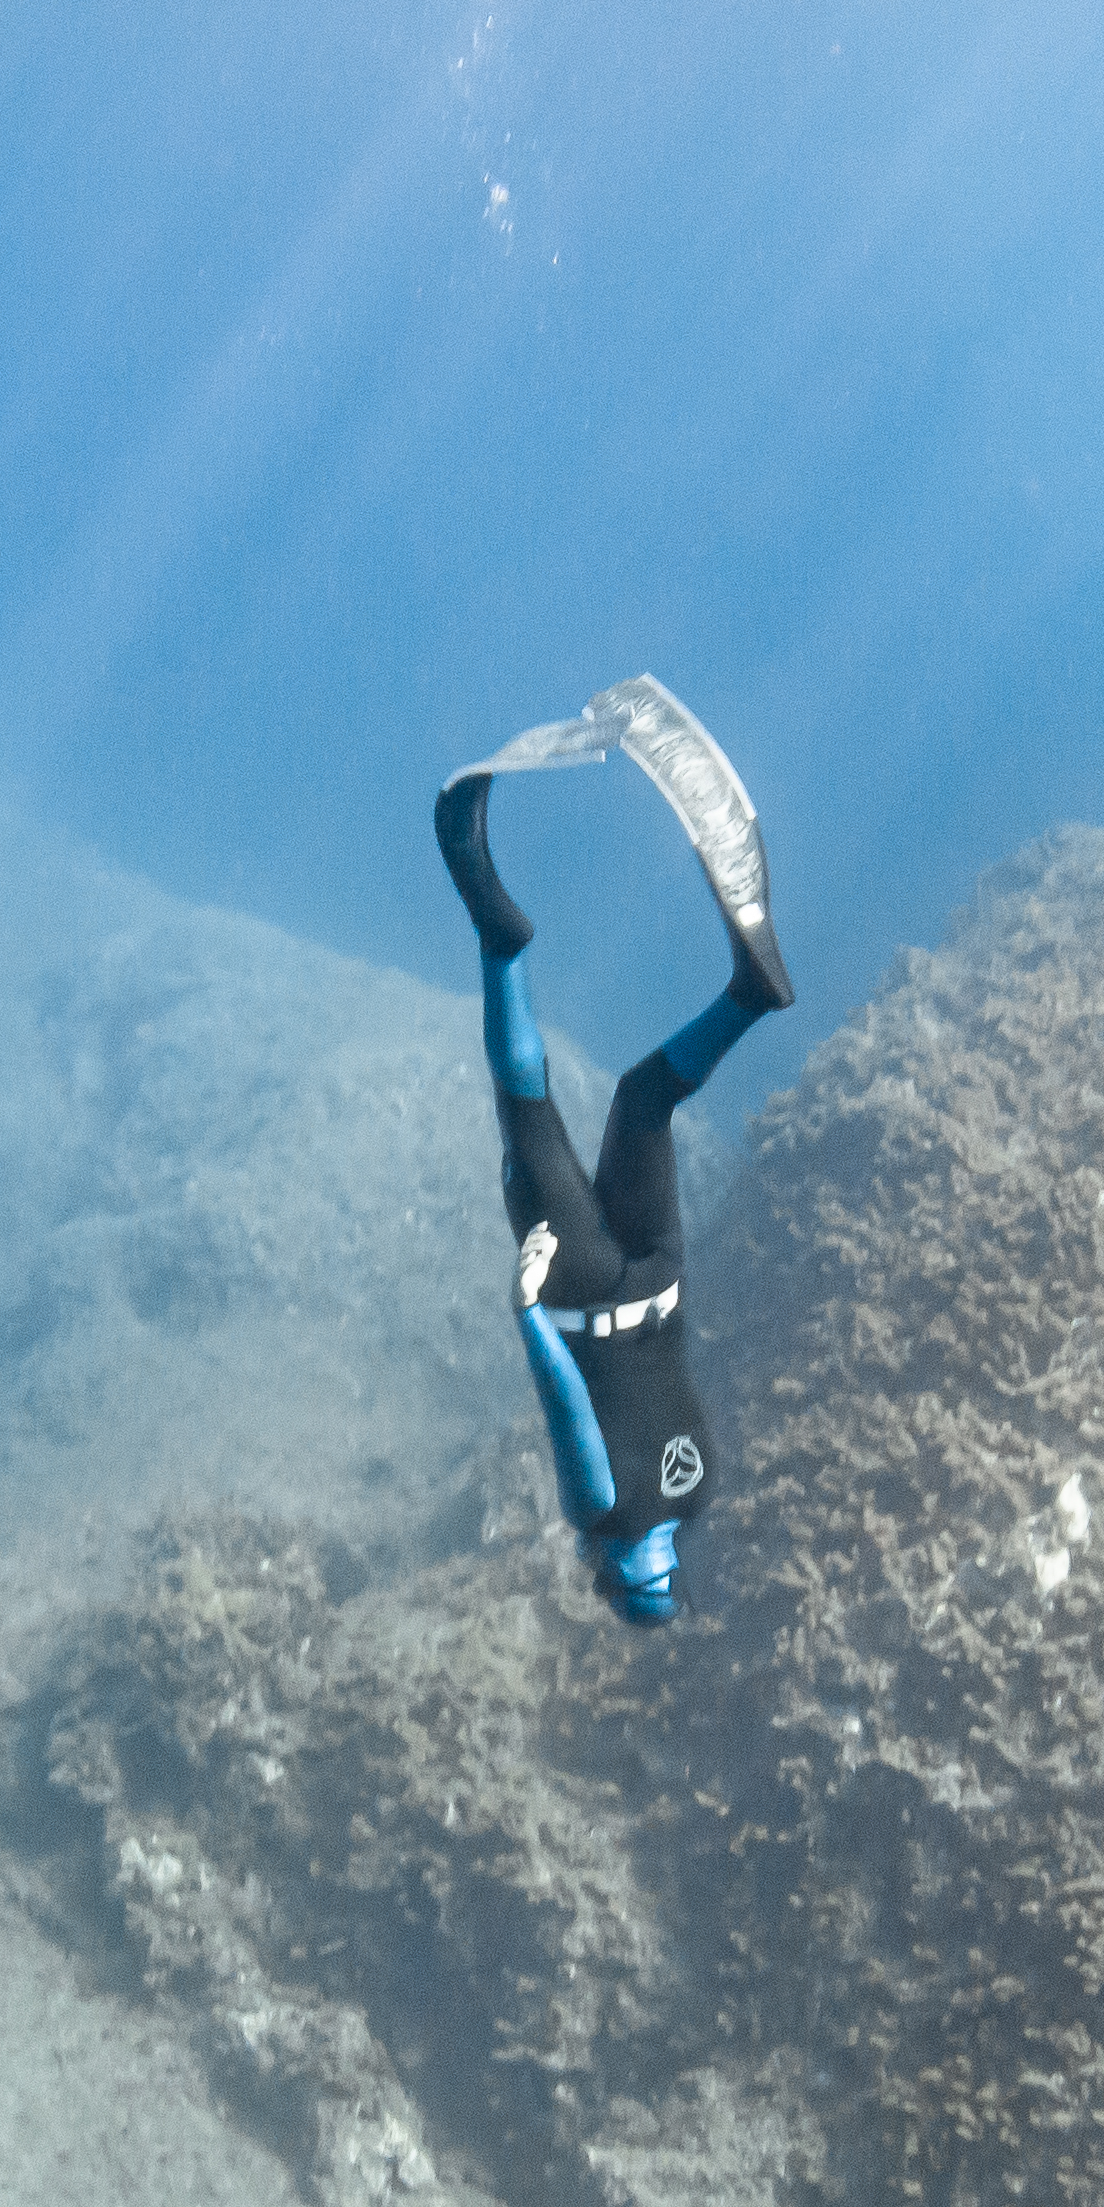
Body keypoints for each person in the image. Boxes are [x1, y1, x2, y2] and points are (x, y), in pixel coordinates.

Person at [436, 695, 794, 1627]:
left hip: (661, 1273)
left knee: (644, 1100)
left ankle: (749, 996)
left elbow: (664, 1390)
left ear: (668, 1565)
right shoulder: (604, 1513)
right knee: (528, 1109)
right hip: (583, 1288)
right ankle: (497, 933)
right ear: (615, 1573)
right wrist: (524, 1311)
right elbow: (572, 1412)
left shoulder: (697, 1490)